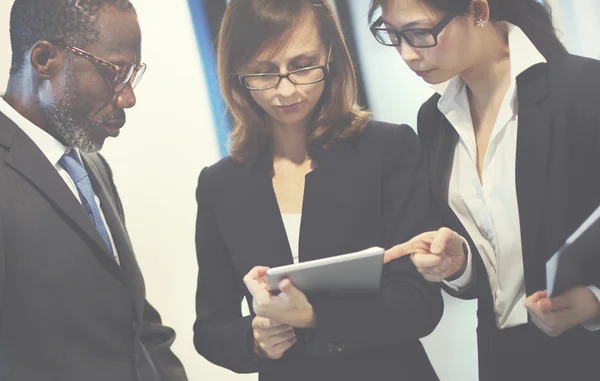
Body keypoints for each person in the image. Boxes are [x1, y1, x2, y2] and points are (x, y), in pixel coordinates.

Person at [193, 1, 443, 380]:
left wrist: (313, 318)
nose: (285, 91)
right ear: (236, 74)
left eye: (302, 66)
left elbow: (419, 304)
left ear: (331, 57)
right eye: (263, 72)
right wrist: (255, 340)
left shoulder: (387, 150)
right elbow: (210, 328)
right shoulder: (220, 185)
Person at [370, 0, 600, 380]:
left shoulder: (582, 89)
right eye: (392, 35)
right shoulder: (435, 120)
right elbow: (492, 268)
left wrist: (594, 301)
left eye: (419, 33)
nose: (407, 54)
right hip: (503, 359)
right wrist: (458, 263)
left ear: (478, 10)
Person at [0, 1, 187, 380]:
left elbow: (135, 324)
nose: (128, 97)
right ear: (44, 59)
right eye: (114, 72)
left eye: (133, 74)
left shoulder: (93, 167)